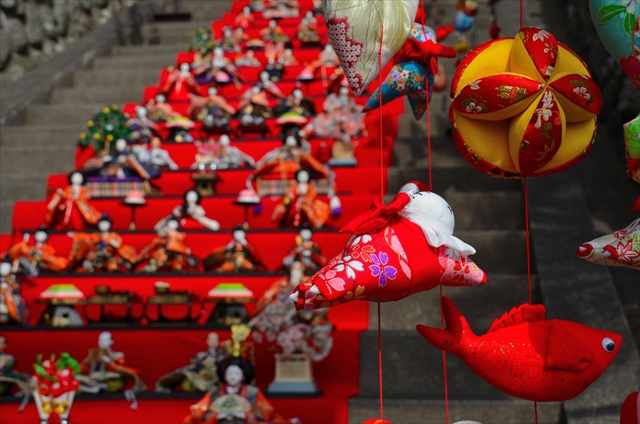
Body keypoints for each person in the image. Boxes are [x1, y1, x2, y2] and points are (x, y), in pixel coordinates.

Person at [76, 331, 146, 394]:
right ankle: (91, 388)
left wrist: (110, 361)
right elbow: (85, 365)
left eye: (105, 340)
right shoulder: (93, 353)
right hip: (93, 378)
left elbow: (120, 364)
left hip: (108, 379)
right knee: (76, 378)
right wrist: (86, 362)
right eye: (100, 340)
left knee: (119, 383)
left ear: (111, 341)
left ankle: (98, 387)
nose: (102, 342)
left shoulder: (117, 355)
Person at [67, 214, 138, 273]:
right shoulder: (96, 235)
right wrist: (75, 235)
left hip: (109, 255)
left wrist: (109, 240)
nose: (103, 225)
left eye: (106, 223)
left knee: (111, 266)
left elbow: (117, 245)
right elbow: (86, 236)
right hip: (97, 255)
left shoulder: (113, 235)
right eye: (102, 223)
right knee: (86, 264)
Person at [156, 332, 224, 393]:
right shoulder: (202, 355)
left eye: (215, 340)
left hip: (215, 380)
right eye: (211, 340)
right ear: (207, 341)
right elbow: (193, 366)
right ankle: (164, 385)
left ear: (218, 341)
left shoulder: (222, 354)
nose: (213, 342)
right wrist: (201, 364)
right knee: (183, 373)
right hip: (200, 378)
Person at [156, 190, 220, 232]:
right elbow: (175, 212)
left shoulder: (198, 208)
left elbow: (202, 213)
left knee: (214, 225)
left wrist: (193, 212)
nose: (191, 198)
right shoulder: (182, 207)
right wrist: (182, 211)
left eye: (193, 196)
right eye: (189, 196)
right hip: (183, 222)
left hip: (197, 221)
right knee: (172, 223)